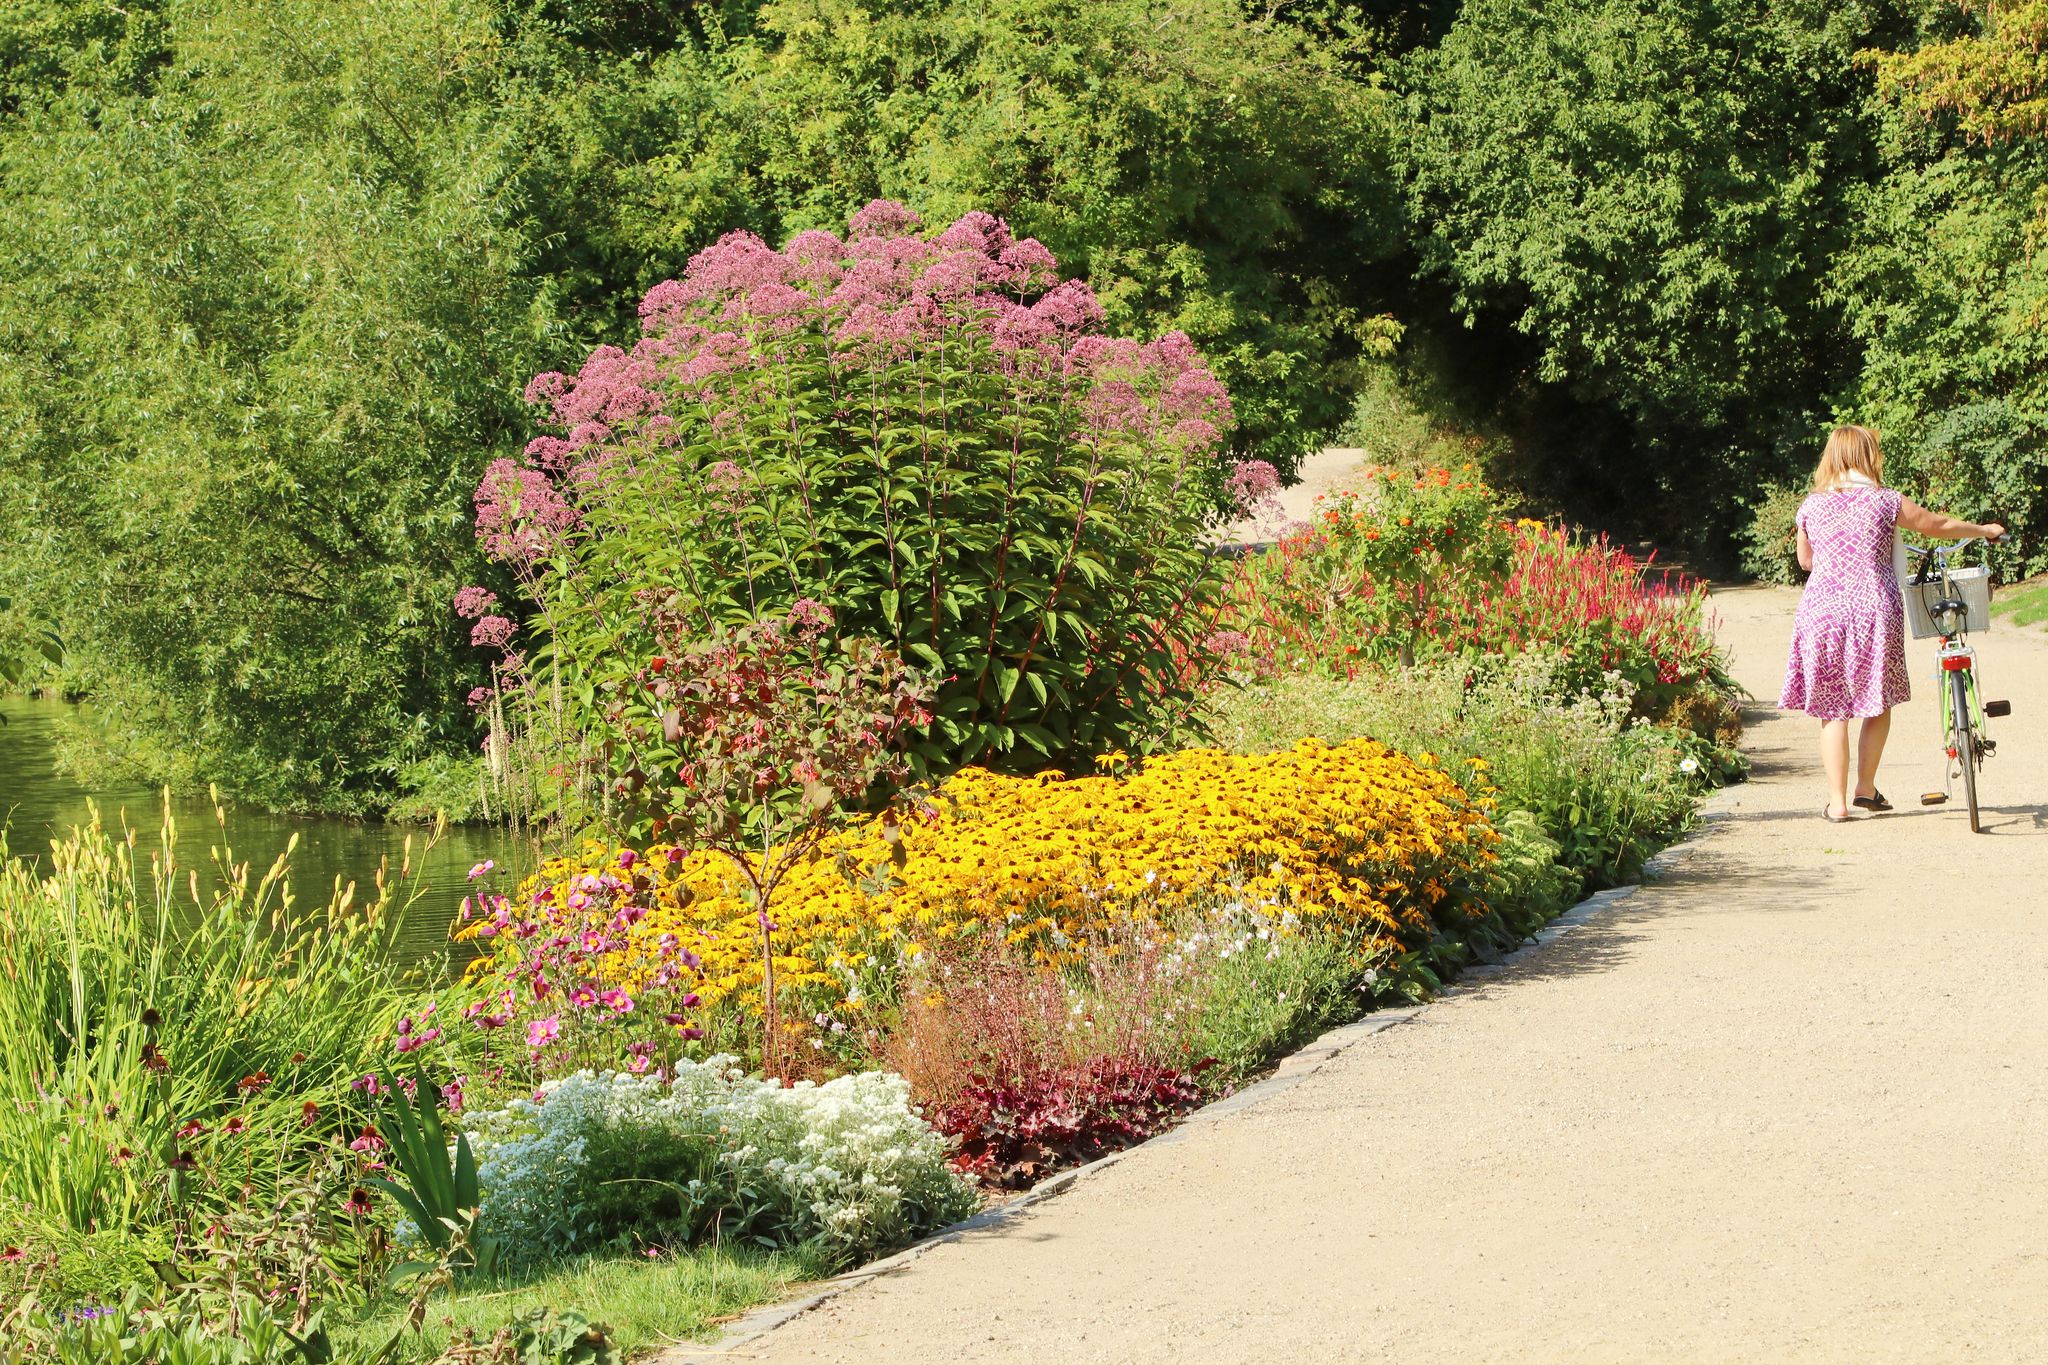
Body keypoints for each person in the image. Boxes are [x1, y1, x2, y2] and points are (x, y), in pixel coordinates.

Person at [1780, 425, 2004, 823]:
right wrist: (1982, 530)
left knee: (1833, 711)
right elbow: (1936, 525)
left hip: (1823, 610)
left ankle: (1838, 804)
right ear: (1868, 456)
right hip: (1872, 608)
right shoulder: (1886, 501)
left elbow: (1806, 561)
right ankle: (1865, 787)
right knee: (1875, 699)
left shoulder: (1811, 506)